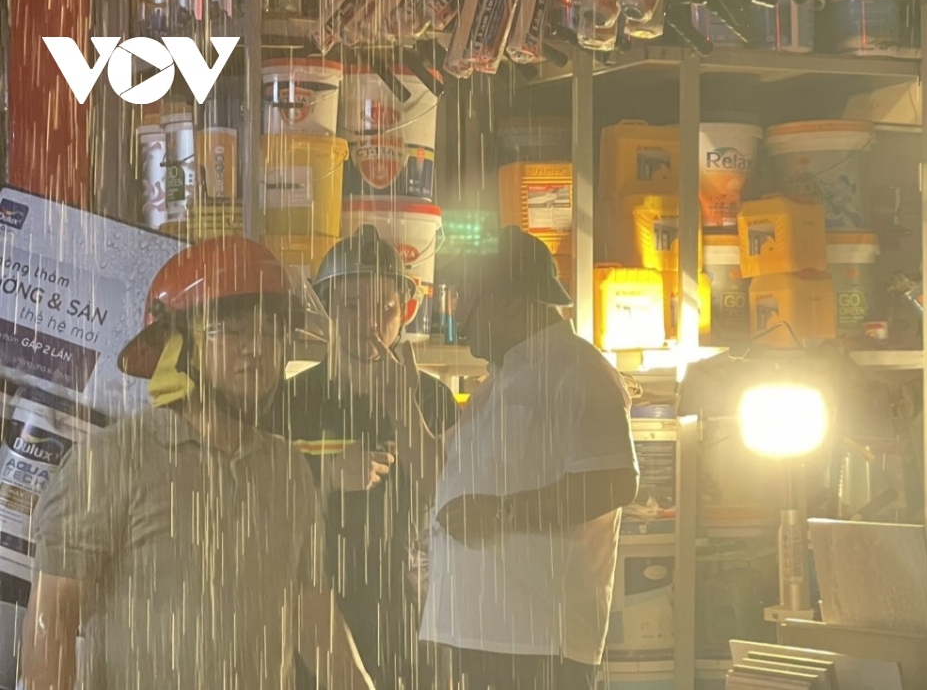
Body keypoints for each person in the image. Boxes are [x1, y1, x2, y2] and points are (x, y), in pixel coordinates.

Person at [22, 237, 375, 690]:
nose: (257, 348)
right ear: (179, 346)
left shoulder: (286, 469)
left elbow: (313, 616)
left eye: (271, 331)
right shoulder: (111, 461)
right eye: (232, 329)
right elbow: (51, 621)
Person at [420, 226, 639, 690]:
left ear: (511, 301)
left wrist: (502, 513)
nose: (458, 313)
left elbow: (614, 481)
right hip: (475, 638)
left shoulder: (577, 370)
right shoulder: (495, 384)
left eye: (466, 295)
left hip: (537, 648)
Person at [280, 225, 457, 690]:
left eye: (385, 308)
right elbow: (255, 502)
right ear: (325, 309)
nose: (370, 323)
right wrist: (326, 474)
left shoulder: (432, 399)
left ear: (407, 311)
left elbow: (453, 502)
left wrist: (405, 412)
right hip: (312, 615)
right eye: (351, 306)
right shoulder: (291, 401)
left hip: (409, 617)